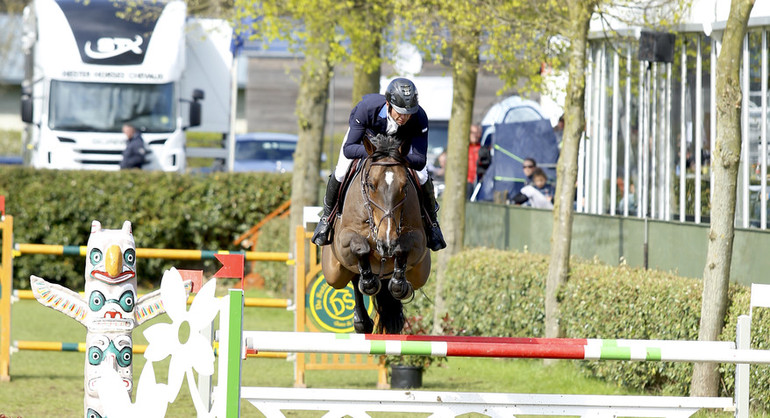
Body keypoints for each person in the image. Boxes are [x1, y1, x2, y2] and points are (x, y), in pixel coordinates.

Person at [311, 78, 446, 251]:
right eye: (399, 112)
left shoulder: (419, 117)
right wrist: (377, 155)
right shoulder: (367, 109)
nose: (404, 117)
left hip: (397, 150)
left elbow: (420, 161)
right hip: (366, 143)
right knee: (341, 171)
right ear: (388, 104)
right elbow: (349, 149)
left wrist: (397, 158)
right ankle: (326, 219)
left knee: (422, 175)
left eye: (408, 112)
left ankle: (432, 224)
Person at [467, 124, 482, 198]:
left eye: (477, 133)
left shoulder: (482, 149)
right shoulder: (465, 148)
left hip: (479, 182)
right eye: (472, 132)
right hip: (467, 182)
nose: (475, 135)